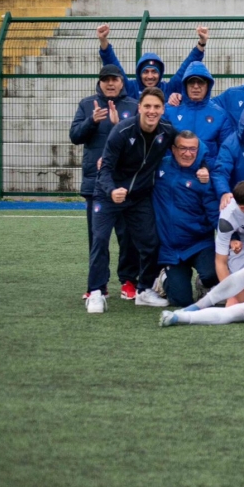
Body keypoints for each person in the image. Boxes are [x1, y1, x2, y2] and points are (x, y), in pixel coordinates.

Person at [86, 87, 175, 313]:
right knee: (100, 239)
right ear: (139, 108)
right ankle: (96, 292)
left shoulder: (167, 131)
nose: (152, 111)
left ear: (163, 109)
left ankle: (144, 290)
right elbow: (104, 168)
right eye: (147, 106)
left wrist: (203, 166)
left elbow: (189, 145)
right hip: (108, 195)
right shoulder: (122, 131)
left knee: (150, 242)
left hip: (138, 197)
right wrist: (111, 190)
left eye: (156, 107)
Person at [70, 63, 140, 301]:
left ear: (122, 81)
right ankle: (97, 286)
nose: (110, 83)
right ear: (99, 82)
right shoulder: (87, 104)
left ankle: (129, 281)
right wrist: (92, 121)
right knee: (98, 238)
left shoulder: (133, 106)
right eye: (105, 79)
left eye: (114, 79)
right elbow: (75, 136)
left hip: (123, 186)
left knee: (127, 238)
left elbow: (138, 143)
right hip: (96, 185)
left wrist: (120, 124)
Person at [152, 131, 220, 307]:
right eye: (182, 148)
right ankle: (164, 278)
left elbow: (213, 210)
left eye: (192, 149)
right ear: (173, 149)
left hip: (200, 242)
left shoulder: (204, 176)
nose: (188, 153)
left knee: (214, 274)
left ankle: (203, 283)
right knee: (181, 301)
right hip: (171, 248)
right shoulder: (159, 167)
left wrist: (230, 236)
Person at [96, 23, 207, 101]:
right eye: (146, 72)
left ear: (160, 73)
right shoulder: (130, 88)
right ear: (139, 73)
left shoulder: (168, 89)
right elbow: (113, 65)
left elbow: (186, 67)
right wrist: (103, 41)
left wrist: (202, 42)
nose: (150, 76)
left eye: (154, 71)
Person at [164, 61, 234, 161]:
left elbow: (226, 154)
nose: (196, 86)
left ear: (208, 85)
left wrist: (208, 168)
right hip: (175, 173)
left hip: (206, 173)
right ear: (185, 85)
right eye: (192, 82)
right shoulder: (169, 110)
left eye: (200, 82)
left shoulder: (220, 115)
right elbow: (160, 147)